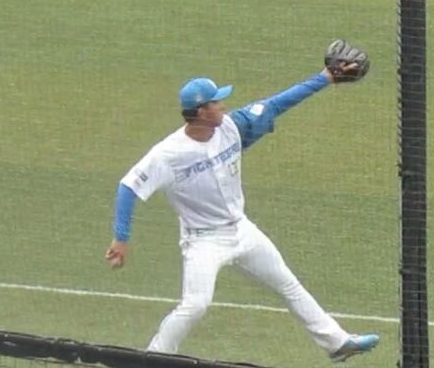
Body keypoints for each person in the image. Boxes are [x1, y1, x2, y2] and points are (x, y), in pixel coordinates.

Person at [104, 57, 379, 363]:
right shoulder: (168, 155)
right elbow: (128, 187)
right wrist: (121, 237)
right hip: (203, 240)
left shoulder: (232, 127)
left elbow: (276, 104)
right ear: (199, 113)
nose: (223, 105)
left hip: (242, 230)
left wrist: (324, 78)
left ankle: (337, 343)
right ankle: (154, 358)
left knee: (287, 283)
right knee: (196, 304)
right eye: (216, 102)